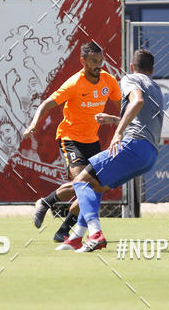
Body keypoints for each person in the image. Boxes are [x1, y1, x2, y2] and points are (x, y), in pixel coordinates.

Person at [55, 49, 163, 252]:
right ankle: (76, 237)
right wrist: (114, 120)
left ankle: (95, 234)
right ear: (152, 70)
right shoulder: (155, 87)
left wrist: (118, 132)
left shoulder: (130, 79)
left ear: (131, 67)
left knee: (81, 181)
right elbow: (143, 120)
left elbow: (137, 101)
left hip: (134, 145)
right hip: (150, 153)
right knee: (96, 185)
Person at [23, 42, 121, 242]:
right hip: (71, 139)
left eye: (101, 61)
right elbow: (47, 103)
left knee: (95, 188)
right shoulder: (74, 83)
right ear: (83, 61)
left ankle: (62, 230)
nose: (98, 65)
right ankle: (46, 203)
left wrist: (117, 120)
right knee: (83, 184)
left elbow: (123, 109)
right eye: (94, 61)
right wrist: (34, 123)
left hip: (92, 141)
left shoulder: (109, 81)